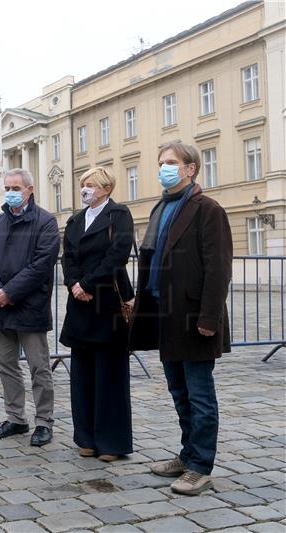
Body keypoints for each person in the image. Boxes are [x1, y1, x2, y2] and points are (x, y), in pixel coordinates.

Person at [130, 142, 232, 496]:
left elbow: (218, 269)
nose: (164, 168)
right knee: (179, 392)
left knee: (200, 394)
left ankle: (201, 467)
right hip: (165, 314)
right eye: (161, 163)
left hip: (194, 317)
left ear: (190, 169)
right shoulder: (162, 207)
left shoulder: (208, 209)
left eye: (171, 163)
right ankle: (188, 455)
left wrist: (210, 318)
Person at [0, 168, 60, 447]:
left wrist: (10, 292)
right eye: (8, 188)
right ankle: (16, 417)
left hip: (30, 305)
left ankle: (44, 421)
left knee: (39, 367)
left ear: (30, 189)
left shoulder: (46, 222)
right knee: (6, 365)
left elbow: (41, 265)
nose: (11, 193)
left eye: (16, 188)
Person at [59, 166, 134, 462]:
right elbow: (69, 257)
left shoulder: (119, 215)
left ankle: (112, 442)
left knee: (109, 375)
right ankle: (86, 437)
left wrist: (87, 284)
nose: (85, 189)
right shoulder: (76, 219)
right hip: (80, 303)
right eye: (83, 184)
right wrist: (74, 284)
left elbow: (117, 255)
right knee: (82, 374)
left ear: (105, 188)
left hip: (106, 302)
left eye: (90, 185)